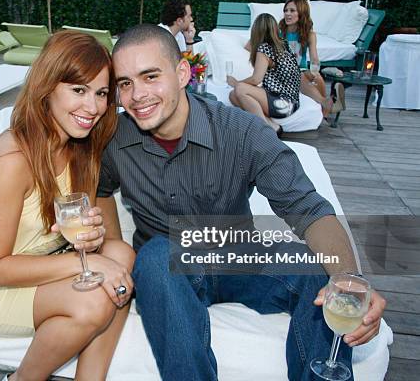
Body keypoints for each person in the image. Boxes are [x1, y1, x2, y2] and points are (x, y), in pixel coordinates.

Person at [96, 24, 386, 381]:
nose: (137, 95)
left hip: (238, 258)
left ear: (183, 73)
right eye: (125, 83)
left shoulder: (241, 131)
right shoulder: (113, 141)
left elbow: (309, 211)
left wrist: (349, 279)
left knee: (319, 269)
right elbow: (99, 190)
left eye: (150, 76)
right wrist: (112, 245)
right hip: (169, 272)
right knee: (155, 255)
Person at [0, 31, 135, 381]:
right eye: (78, 91)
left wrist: (91, 241)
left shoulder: (82, 148)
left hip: (43, 264)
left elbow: (95, 239)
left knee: (122, 255)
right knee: (93, 302)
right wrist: (90, 260)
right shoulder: (11, 158)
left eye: (100, 94)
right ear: (48, 87)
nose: (92, 108)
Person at [227, 13, 301, 136]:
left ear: (257, 30)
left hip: (283, 103)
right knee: (233, 95)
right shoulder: (283, 44)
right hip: (291, 103)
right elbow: (248, 47)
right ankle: (274, 126)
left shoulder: (265, 48)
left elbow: (256, 79)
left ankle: (264, 130)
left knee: (240, 88)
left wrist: (236, 82)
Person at [279, 0, 345, 117]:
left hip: (302, 69)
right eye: (286, 10)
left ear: (301, 13)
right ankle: (326, 103)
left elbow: (314, 58)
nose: (287, 14)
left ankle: (324, 112)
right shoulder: (279, 31)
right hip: (284, 70)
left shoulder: (309, 34)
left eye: (292, 11)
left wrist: (315, 70)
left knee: (318, 78)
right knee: (299, 75)